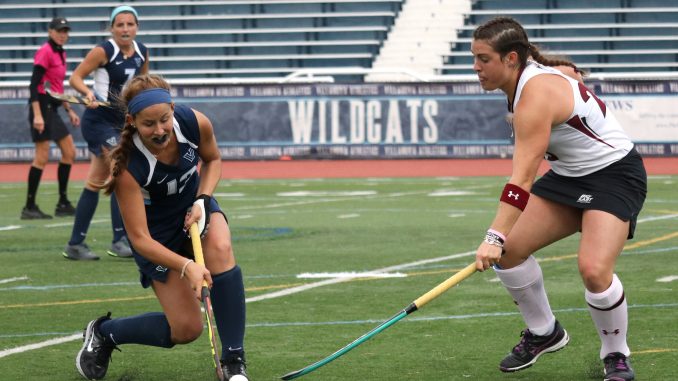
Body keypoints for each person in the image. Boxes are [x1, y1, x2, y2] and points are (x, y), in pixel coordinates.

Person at [471, 17, 646, 381]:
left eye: (483, 59)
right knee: (512, 251)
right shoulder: (532, 75)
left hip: (614, 175)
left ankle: (616, 355)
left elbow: (521, 179)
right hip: (568, 177)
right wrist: (502, 242)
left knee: (594, 270)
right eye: (474, 58)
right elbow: (567, 75)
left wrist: (492, 237)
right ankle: (544, 331)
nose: (476, 68)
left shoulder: (533, 99)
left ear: (511, 59)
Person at [75, 74, 249, 381]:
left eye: (164, 120)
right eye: (148, 125)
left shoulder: (194, 123)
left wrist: (203, 200)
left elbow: (213, 160)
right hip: (156, 236)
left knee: (221, 247)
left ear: (172, 108)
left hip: (193, 209)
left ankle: (234, 360)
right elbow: (139, 239)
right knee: (186, 329)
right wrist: (187, 266)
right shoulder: (126, 163)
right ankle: (104, 332)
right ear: (132, 121)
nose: (159, 131)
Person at [63, 5, 149, 260]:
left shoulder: (142, 51)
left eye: (129, 24)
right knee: (120, 170)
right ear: (111, 28)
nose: (125, 29)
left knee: (95, 181)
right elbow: (76, 78)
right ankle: (120, 239)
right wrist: (88, 94)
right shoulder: (104, 50)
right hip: (98, 120)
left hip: (121, 121)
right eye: (120, 24)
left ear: (137, 27)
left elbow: (142, 85)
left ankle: (75, 244)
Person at [22, 17, 80, 220]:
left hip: (52, 108)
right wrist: (37, 115)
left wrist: (69, 110)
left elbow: (57, 88)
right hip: (42, 108)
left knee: (69, 152)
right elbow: (33, 86)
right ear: (50, 32)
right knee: (42, 156)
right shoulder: (45, 51)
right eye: (59, 30)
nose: (63, 34)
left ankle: (62, 203)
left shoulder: (61, 52)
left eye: (65, 31)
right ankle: (29, 206)